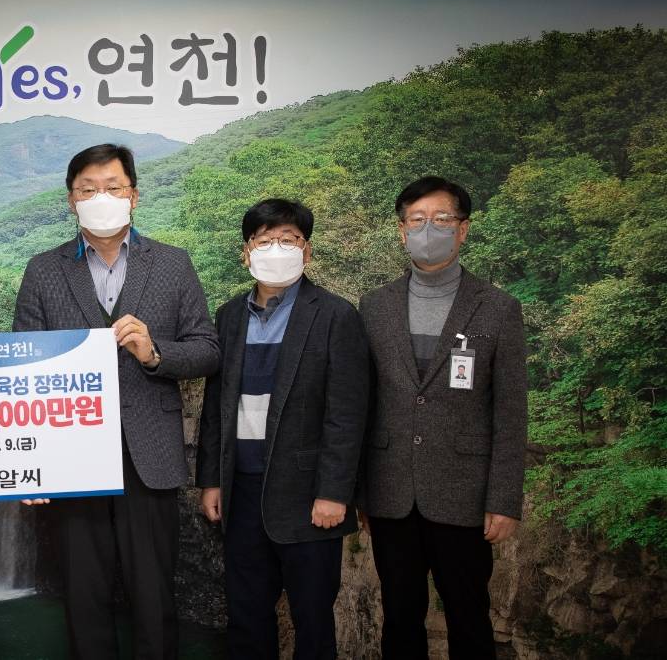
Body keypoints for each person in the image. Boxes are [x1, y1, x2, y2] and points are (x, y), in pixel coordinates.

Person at [13, 143, 220, 658]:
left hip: (149, 452)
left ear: (134, 195)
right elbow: (23, 367)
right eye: (87, 190)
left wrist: (155, 353)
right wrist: (32, 465)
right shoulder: (43, 270)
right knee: (83, 593)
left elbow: (207, 350)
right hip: (70, 457)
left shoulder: (172, 263)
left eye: (112, 187)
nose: (100, 198)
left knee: (154, 594)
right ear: (70, 200)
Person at [358, 176, 527, 659]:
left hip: (464, 494)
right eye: (417, 220)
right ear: (401, 231)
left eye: (441, 219)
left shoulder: (498, 308)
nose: (428, 229)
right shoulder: (374, 306)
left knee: (468, 617)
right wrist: (362, 491)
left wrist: (504, 500)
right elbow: (362, 404)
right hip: (391, 493)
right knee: (399, 617)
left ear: (463, 228)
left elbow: (510, 412)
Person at [196, 199, 369, 659]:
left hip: (308, 496)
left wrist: (334, 492)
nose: (277, 248)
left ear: (306, 251)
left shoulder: (335, 315)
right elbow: (216, 406)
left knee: (312, 620)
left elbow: (347, 413)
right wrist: (211, 480)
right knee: (246, 615)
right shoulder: (229, 316)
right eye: (265, 240)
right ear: (246, 252)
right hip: (241, 491)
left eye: (288, 240)